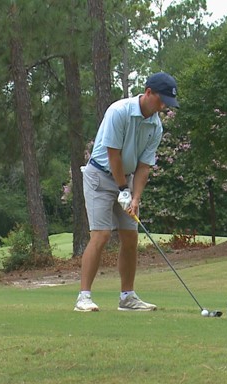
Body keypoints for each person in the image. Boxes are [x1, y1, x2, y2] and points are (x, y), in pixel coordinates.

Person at [75, 72, 179, 312]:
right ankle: (84, 297)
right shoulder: (119, 111)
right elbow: (113, 155)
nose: (162, 106)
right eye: (161, 100)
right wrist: (122, 189)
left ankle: (127, 297)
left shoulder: (156, 126)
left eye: (167, 103)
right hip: (99, 175)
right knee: (100, 236)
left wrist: (134, 197)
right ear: (148, 92)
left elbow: (144, 166)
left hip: (128, 179)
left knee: (130, 237)